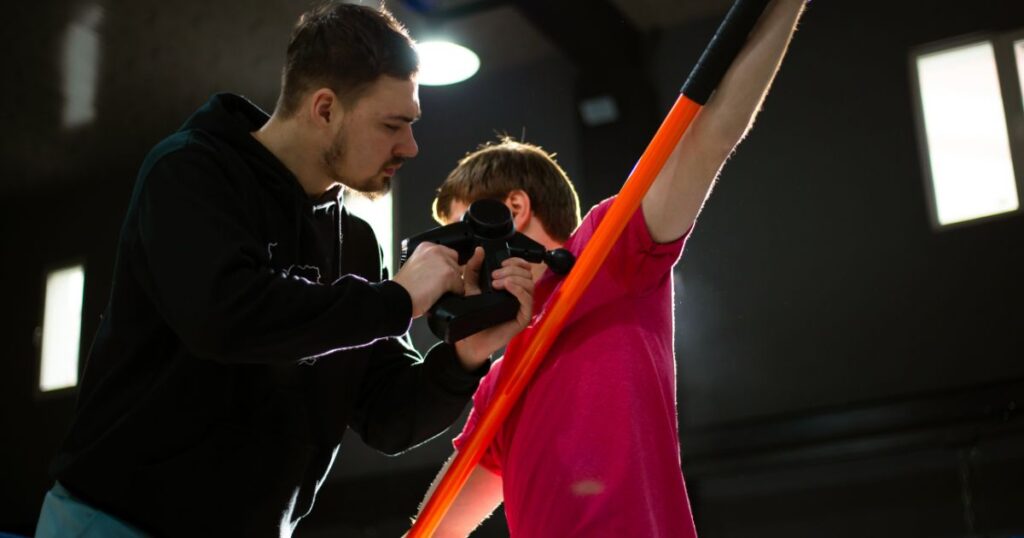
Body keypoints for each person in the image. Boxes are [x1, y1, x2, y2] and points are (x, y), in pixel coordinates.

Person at [35, 3, 534, 537]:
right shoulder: (190, 173)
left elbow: (388, 417)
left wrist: (464, 356)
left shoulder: (357, 243)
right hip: (116, 522)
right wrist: (394, 301)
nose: (410, 147)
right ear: (324, 109)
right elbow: (227, 316)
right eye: (393, 124)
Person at [413, 1, 808, 536]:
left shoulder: (604, 251)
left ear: (511, 211)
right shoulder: (499, 378)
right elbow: (438, 527)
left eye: (464, 231)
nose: (460, 260)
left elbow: (710, 137)